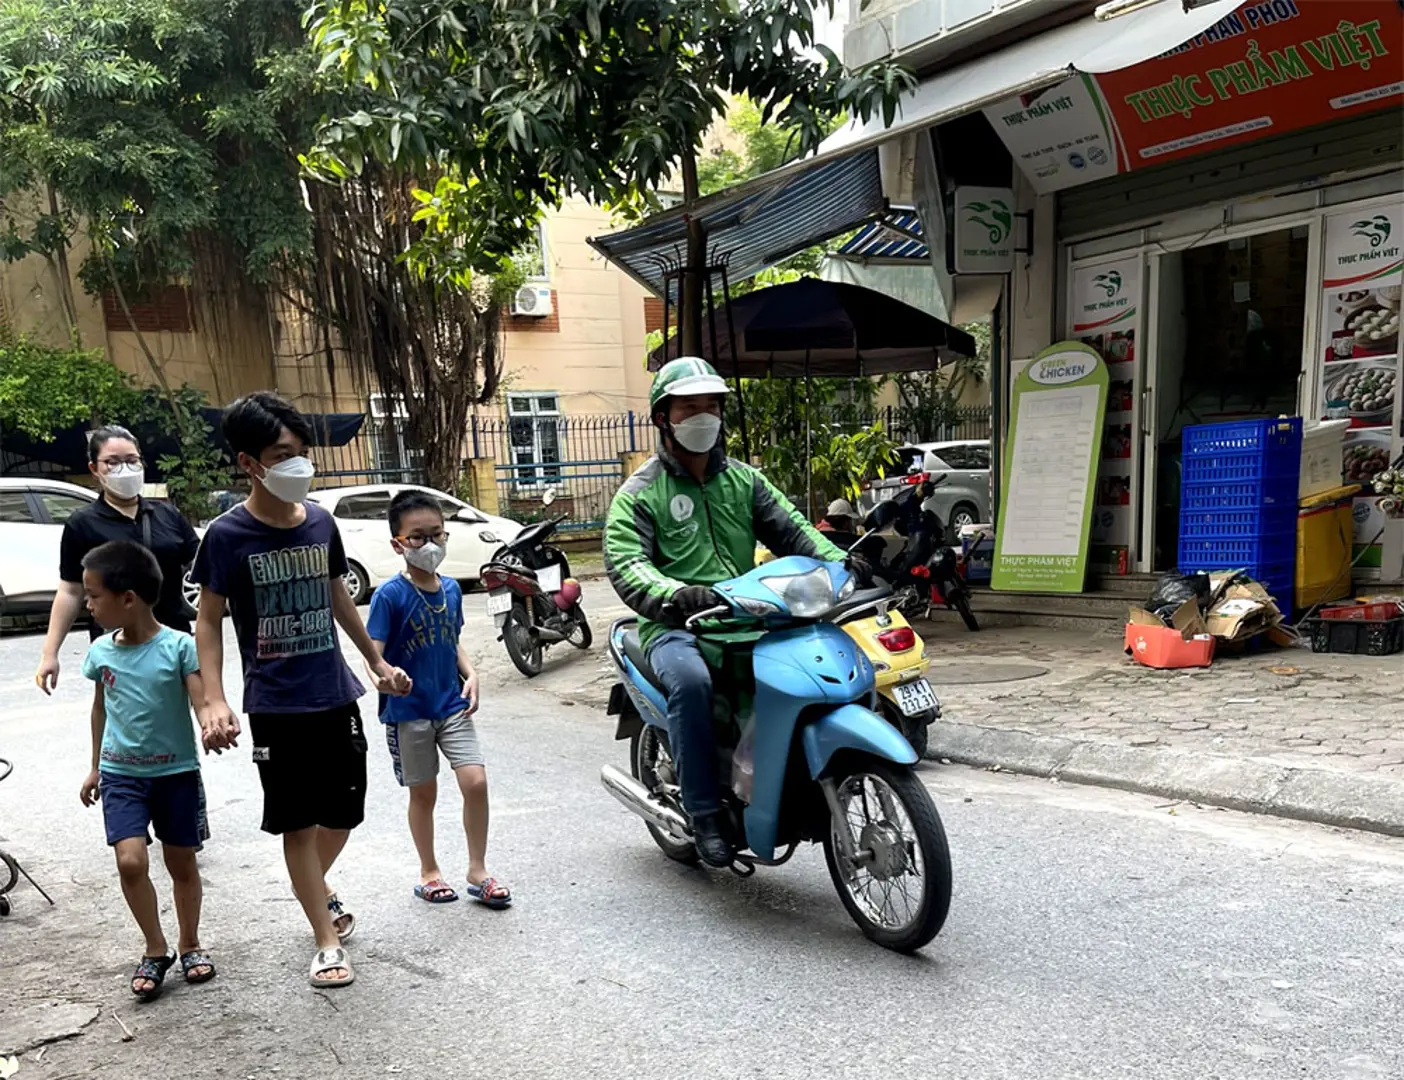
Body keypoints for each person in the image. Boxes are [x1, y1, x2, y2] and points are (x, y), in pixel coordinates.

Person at [604, 357, 869, 867]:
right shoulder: (640, 494)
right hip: (678, 624)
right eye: (688, 407)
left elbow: (796, 533)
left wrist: (845, 563)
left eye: (710, 406)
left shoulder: (745, 481)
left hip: (752, 613)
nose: (702, 416)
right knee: (692, 684)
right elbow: (627, 563)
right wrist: (677, 594)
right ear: (664, 417)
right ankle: (704, 813)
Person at [191, 391, 411, 990]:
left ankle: (313, 885)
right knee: (298, 822)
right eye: (283, 454)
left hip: (334, 692)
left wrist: (375, 661)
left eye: (302, 452)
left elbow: (338, 594)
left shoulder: (320, 521)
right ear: (249, 463)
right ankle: (325, 937)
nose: (299, 465)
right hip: (275, 704)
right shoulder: (226, 535)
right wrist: (213, 699)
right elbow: (207, 621)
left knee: (345, 812)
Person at [78, 541, 215, 1001]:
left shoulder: (178, 646)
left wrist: (213, 723)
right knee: (130, 859)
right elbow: (100, 710)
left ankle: (190, 942)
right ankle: (156, 949)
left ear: (128, 598)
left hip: (176, 772)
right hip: (121, 774)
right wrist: (95, 767)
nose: (89, 605)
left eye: (94, 596)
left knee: (181, 862)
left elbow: (200, 700)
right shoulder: (100, 653)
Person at [365, 490, 511, 909]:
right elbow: (372, 656)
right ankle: (429, 871)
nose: (429, 545)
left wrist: (472, 673)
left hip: (452, 704)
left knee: (476, 781)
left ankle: (477, 870)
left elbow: (452, 639)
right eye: (417, 537)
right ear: (397, 543)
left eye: (437, 535)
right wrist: (386, 679)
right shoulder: (389, 596)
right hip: (409, 711)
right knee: (423, 793)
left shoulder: (450, 590)